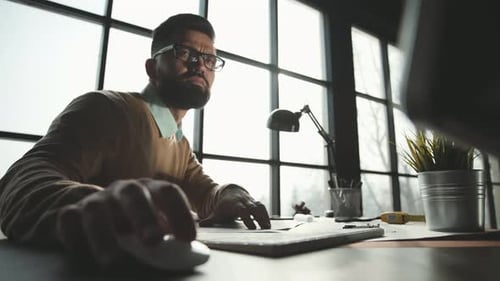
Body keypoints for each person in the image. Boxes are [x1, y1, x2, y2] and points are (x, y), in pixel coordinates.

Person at [0, 13, 270, 267]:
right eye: (185, 52)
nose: (199, 64)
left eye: (209, 59)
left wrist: (231, 192)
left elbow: (207, 192)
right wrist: (91, 203)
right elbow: (20, 181)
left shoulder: (179, 143)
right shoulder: (106, 108)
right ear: (152, 68)